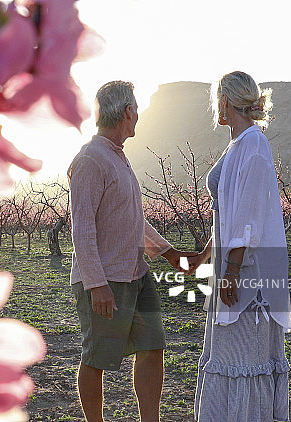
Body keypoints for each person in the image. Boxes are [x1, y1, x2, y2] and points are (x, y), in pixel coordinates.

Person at [68, 80, 194, 422]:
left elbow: (132, 220)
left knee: (153, 346)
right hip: (106, 280)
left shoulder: (118, 157)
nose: (138, 114)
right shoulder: (91, 160)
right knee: (97, 357)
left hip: (137, 275)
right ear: (127, 112)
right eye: (135, 108)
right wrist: (97, 285)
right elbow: (82, 228)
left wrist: (170, 254)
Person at [187, 71, 291, 422]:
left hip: (247, 273)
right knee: (231, 357)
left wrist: (231, 271)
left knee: (246, 357)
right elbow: (228, 214)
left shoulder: (254, 144)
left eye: (218, 99)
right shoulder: (239, 143)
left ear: (226, 102)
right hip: (231, 267)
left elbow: (248, 218)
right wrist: (205, 255)